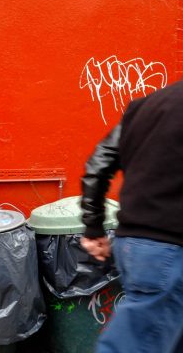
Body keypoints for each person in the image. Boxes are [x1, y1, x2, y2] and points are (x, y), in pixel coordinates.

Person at [80, 80, 183, 353]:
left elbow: (98, 164)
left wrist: (93, 228)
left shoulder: (146, 105)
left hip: (134, 246)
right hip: (170, 252)